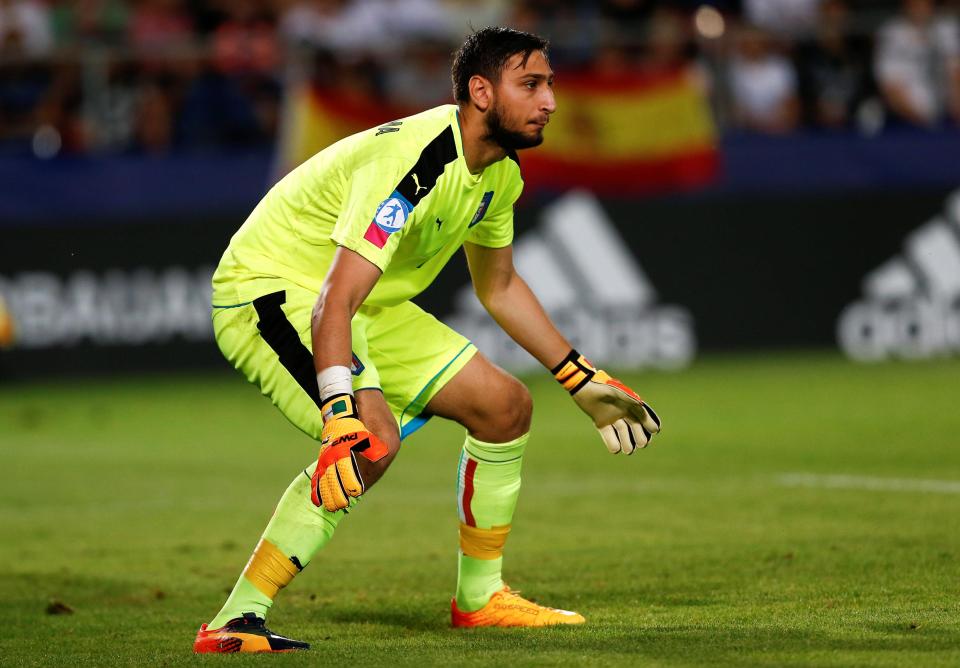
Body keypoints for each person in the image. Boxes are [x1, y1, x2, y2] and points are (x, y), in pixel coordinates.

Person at [193, 26, 661, 653]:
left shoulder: (499, 176)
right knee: (370, 439)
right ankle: (236, 619)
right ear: (481, 91)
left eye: (549, 84)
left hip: (364, 303)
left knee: (504, 407)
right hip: (272, 290)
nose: (550, 101)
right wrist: (339, 412)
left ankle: (481, 599)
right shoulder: (416, 162)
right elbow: (333, 299)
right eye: (531, 84)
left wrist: (581, 377)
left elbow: (499, 288)